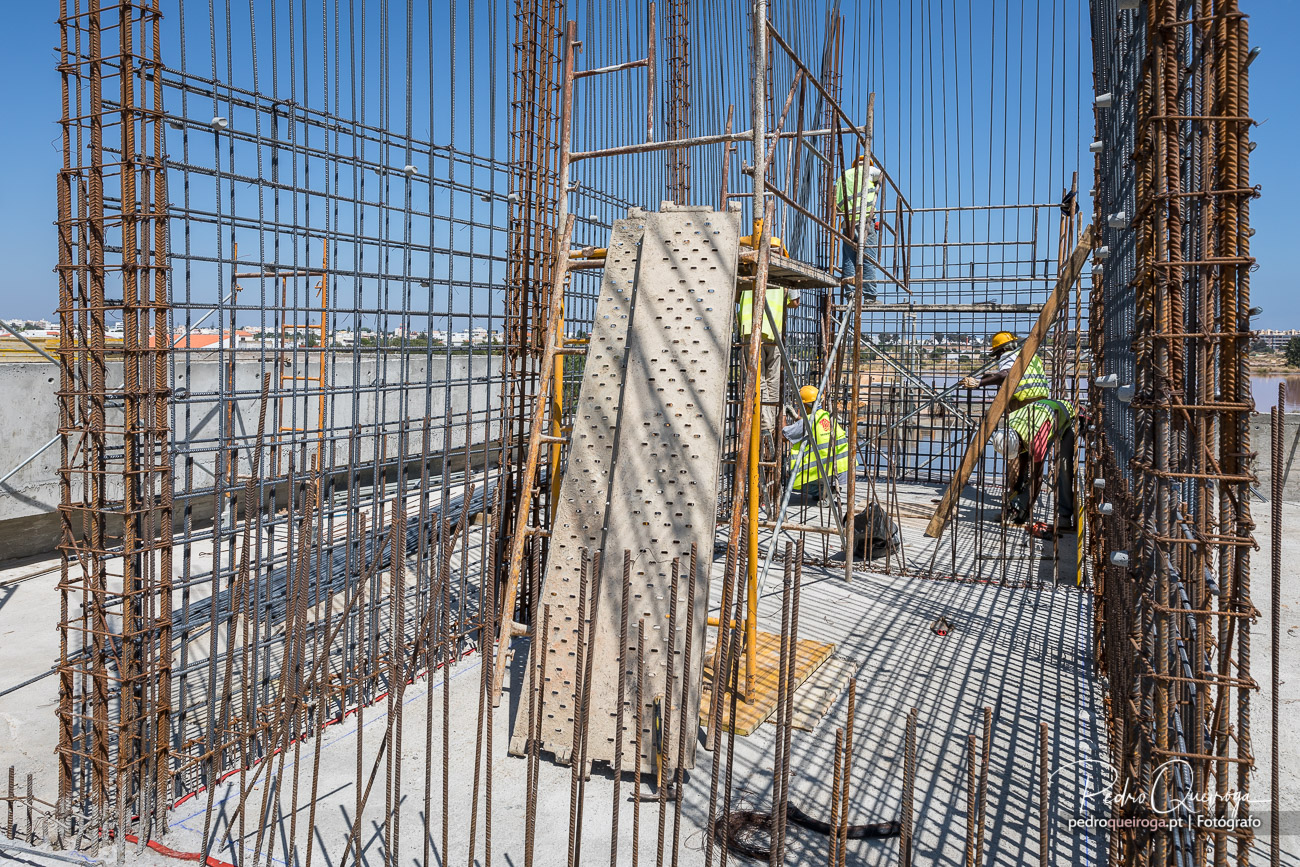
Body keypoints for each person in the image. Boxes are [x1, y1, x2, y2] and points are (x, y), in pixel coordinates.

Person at [737, 221, 800, 441]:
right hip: (774, 335)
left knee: (758, 380)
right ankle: (771, 425)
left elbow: (735, 296)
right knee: (772, 381)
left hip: (750, 332)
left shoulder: (748, 269)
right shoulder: (784, 271)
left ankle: (764, 425)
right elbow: (795, 302)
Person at [990, 397, 1077, 534]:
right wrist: (1019, 480)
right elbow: (1023, 453)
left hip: (1066, 418)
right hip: (1043, 419)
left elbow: (1038, 477)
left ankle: (1064, 516)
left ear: (1018, 443)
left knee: (1064, 467)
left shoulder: (1035, 441)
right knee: (1024, 473)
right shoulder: (1010, 427)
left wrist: (1029, 507)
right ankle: (1018, 509)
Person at [781, 385, 852, 505]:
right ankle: (829, 488)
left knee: (790, 483)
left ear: (804, 405)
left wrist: (782, 415)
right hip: (843, 468)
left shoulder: (808, 421)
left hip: (829, 469)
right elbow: (808, 425)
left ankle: (824, 492)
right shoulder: (826, 416)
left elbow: (784, 436)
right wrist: (796, 417)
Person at [959, 330, 1051, 412]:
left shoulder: (1007, 355)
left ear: (1003, 349)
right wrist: (992, 377)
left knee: (1020, 428)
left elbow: (1006, 375)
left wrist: (978, 382)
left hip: (1023, 399)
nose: (997, 358)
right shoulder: (1031, 355)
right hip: (1042, 399)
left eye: (997, 354)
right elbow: (1020, 375)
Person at [833, 154, 881, 300]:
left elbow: (835, 200)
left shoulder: (842, 177)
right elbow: (881, 176)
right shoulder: (869, 170)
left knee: (849, 258)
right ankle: (869, 295)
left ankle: (850, 293)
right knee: (868, 258)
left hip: (847, 223)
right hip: (865, 221)